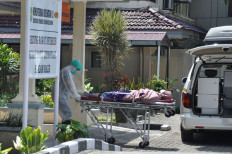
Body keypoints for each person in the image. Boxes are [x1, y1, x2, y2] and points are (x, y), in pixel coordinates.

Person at [52, 60, 82, 124]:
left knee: (66, 114)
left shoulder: (68, 71)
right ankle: (65, 131)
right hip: (59, 95)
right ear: (74, 67)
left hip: (61, 95)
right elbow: (69, 85)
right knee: (68, 112)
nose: (76, 71)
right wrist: (76, 95)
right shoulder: (66, 71)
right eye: (77, 69)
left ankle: (64, 131)